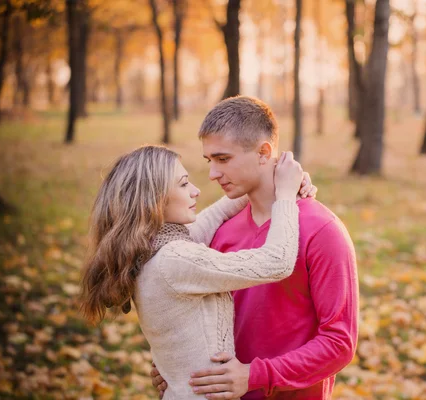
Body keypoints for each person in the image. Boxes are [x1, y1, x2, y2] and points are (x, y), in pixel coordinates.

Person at [151, 96, 359, 399]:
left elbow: (339, 343)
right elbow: (200, 314)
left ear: (264, 153)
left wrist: (255, 376)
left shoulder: (322, 231)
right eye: (210, 161)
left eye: (223, 159)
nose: (212, 174)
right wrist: (174, 362)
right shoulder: (221, 233)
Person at [80, 145, 315, 399]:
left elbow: (218, 212)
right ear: (154, 199)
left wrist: (268, 179)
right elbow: (277, 261)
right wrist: (286, 196)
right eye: (183, 184)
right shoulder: (175, 259)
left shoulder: (149, 248)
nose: (196, 190)